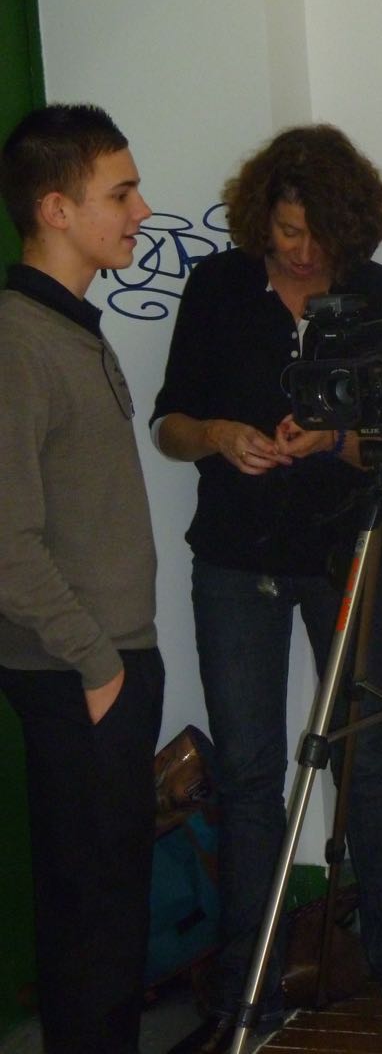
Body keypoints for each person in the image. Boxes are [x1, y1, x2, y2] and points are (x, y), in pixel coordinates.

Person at [152, 125, 382, 1053]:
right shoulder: (218, 286)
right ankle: (248, 988)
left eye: (319, 233)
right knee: (247, 777)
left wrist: (334, 441)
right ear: (261, 219)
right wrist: (220, 437)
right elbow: (168, 424)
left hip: (349, 552)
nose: (303, 250)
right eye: (286, 231)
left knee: (371, 766)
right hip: (234, 560)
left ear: (349, 226)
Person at [0, 104, 164, 1054]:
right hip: (76, 672)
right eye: (121, 193)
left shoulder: (71, 327)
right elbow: (6, 543)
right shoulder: (18, 342)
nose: (142, 210)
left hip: (107, 662)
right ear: (56, 209)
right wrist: (98, 665)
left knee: (108, 905)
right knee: (92, 915)